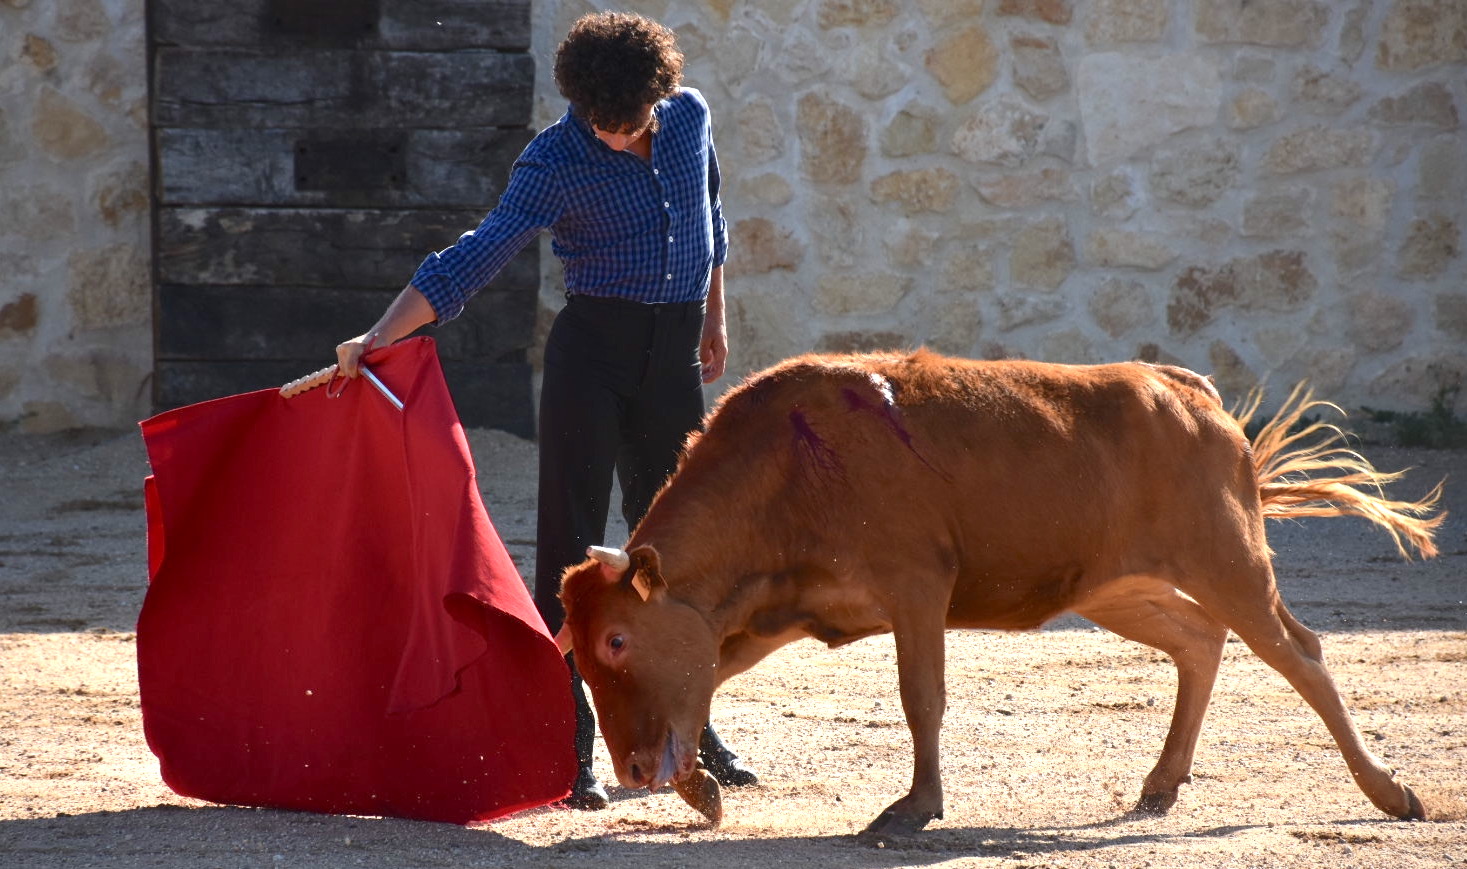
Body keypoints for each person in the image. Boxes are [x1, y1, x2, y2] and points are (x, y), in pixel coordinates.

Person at [333, 11, 756, 809]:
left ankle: (691, 728)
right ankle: (570, 745)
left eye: (624, 123)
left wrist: (714, 316)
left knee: (673, 554)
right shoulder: (554, 158)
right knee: (571, 548)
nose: (608, 135)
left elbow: (712, 217)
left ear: (655, 98)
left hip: (671, 358)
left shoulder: (689, 116)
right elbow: (477, 252)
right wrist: (381, 332)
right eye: (596, 121)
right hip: (591, 355)